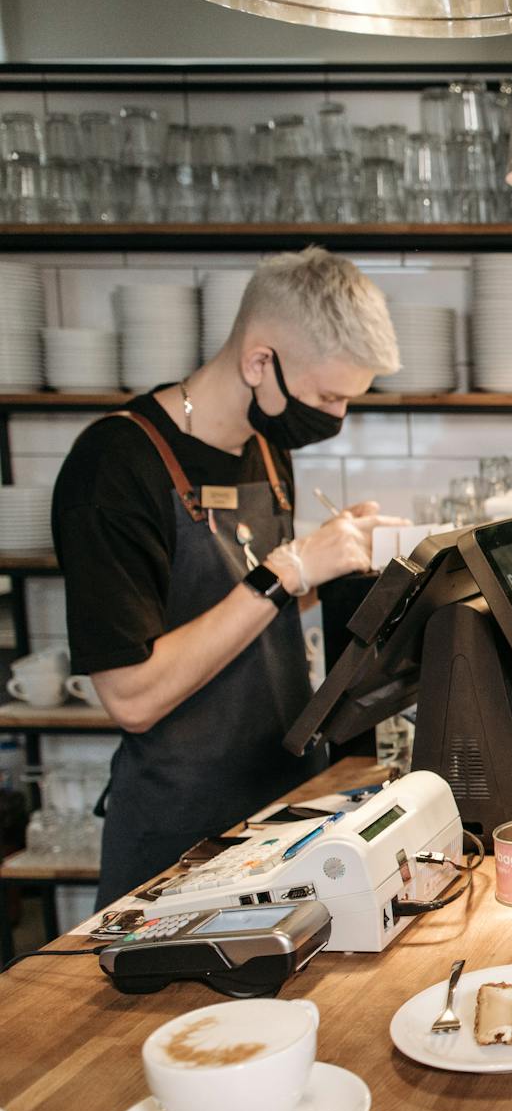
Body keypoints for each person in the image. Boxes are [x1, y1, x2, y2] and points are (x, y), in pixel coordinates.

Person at [52, 248, 403, 904]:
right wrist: (287, 570)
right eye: (328, 396)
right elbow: (133, 697)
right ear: (258, 361)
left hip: (285, 805)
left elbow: (240, 615)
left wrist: (333, 562)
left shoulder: (266, 448)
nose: (337, 417)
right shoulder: (114, 467)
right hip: (181, 838)